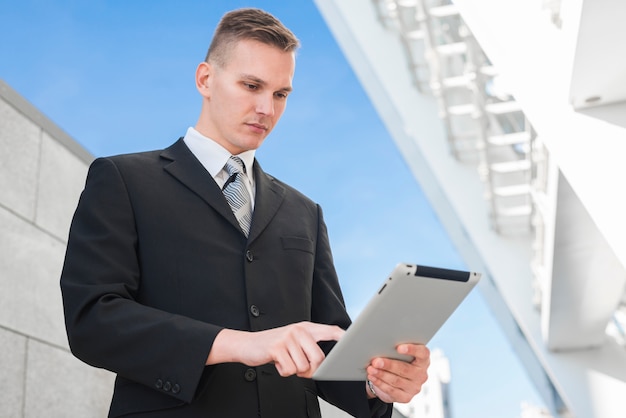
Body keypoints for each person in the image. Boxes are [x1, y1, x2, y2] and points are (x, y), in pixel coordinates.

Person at [60, 7, 430, 418]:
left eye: (280, 94)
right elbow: (92, 320)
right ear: (205, 79)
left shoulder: (305, 212)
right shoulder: (124, 180)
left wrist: (378, 382)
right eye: (251, 85)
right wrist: (238, 344)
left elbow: (326, 346)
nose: (266, 109)